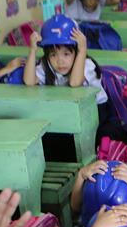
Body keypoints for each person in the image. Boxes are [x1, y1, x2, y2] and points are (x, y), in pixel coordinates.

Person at [23, 15, 118, 143]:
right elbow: (29, 81)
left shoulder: (87, 64)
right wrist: (33, 50)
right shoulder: (47, 66)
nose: (60, 61)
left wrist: (83, 49)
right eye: (53, 54)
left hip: (96, 109)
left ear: (76, 51)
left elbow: (74, 83)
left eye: (66, 54)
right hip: (69, 110)